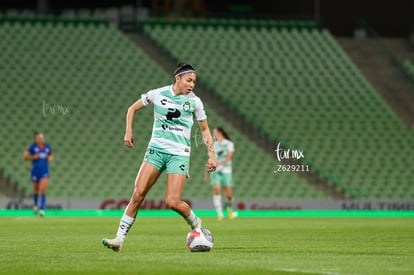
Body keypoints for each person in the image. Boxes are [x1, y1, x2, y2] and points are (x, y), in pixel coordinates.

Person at [102, 63, 216, 252]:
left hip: (179, 154)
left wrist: (211, 156)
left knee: (172, 202)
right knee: (138, 193)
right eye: (189, 80)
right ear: (178, 78)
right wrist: (128, 131)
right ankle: (119, 239)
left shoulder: (195, 102)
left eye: (194, 81)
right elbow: (132, 109)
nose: (192, 84)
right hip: (156, 150)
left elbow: (205, 129)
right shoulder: (158, 94)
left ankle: (196, 223)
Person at [205, 127, 235, 220]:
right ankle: (220, 214)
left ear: (220, 132)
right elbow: (210, 159)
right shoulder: (214, 145)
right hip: (215, 170)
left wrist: (218, 163)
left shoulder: (229, 144)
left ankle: (229, 208)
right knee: (216, 190)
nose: (214, 134)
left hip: (226, 170)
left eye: (215, 132)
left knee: (229, 195)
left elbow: (229, 158)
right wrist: (206, 173)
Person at [23, 132, 53, 217]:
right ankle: (36, 205)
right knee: (36, 190)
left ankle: (42, 210)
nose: (40, 139)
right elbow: (25, 157)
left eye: (41, 137)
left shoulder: (47, 147)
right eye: (38, 137)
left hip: (44, 171)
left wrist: (50, 158)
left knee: (42, 190)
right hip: (35, 171)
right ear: (36, 139)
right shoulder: (32, 147)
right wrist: (33, 157)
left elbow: (51, 156)